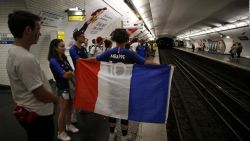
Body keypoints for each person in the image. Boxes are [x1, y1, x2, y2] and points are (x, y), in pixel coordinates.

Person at [6, 10, 60, 141]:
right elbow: (40, 94)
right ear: (28, 30)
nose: (40, 33)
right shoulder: (25, 58)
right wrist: (56, 100)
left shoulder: (14, 51)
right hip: (38, 116)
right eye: (38, 29)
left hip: (28, 111)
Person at [96, 28, 153, 141]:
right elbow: (146, 63)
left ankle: (111, 135)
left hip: (111, 88)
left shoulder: (109, 52)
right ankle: (124, 136)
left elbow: (95, 59)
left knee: (112, 111)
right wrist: (164, 67)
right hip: (125, 89)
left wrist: (81, 60)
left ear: (114, 39)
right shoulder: (129, 53)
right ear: (127, 39)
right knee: (124, 112)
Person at [48, 39, 79, 141]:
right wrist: (69, 73)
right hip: (62, 88)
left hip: (70, 87)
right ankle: (60, 132)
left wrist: (70, 73)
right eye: (61, 46)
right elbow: (65, 74)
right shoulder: (53, 61)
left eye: (64, 46)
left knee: (70, 108)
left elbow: (72, 71)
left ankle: (68, 125)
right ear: (55, 48)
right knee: (63, 110)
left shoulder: (64, 58)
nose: (64, 48)